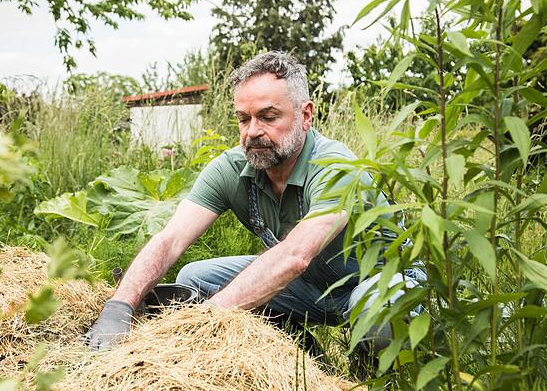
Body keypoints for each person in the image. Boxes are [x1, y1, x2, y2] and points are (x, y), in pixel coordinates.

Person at [84, 51, 425, 351]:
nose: (253, 131)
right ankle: (293, 350)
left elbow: (294, 256)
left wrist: (200, 324)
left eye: (269, 116)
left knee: (374, 310)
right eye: (244, 119)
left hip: (382, 281)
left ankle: (377, 367)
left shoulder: (336, 166)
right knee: (194, 278)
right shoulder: (232, 168)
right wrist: (120, 306)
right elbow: (170, 239)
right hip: (312, 289)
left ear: (306, 116)